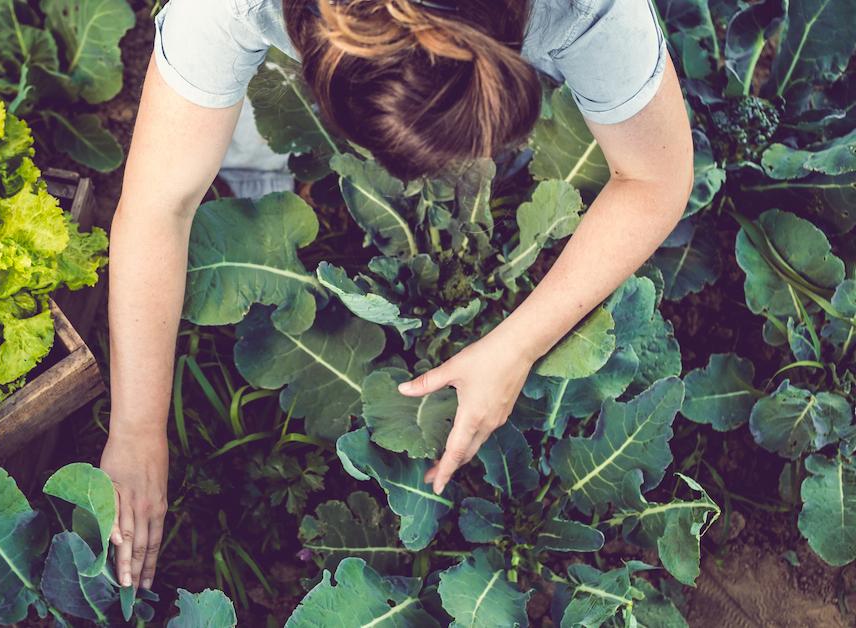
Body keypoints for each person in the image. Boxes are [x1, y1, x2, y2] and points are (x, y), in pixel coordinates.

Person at [98, 0, 693, 593]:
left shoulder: (589, 9)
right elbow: (159, 206)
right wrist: (135, 426)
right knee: (220, 127)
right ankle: (256, 148)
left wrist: (516, 345)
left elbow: (656, 175)